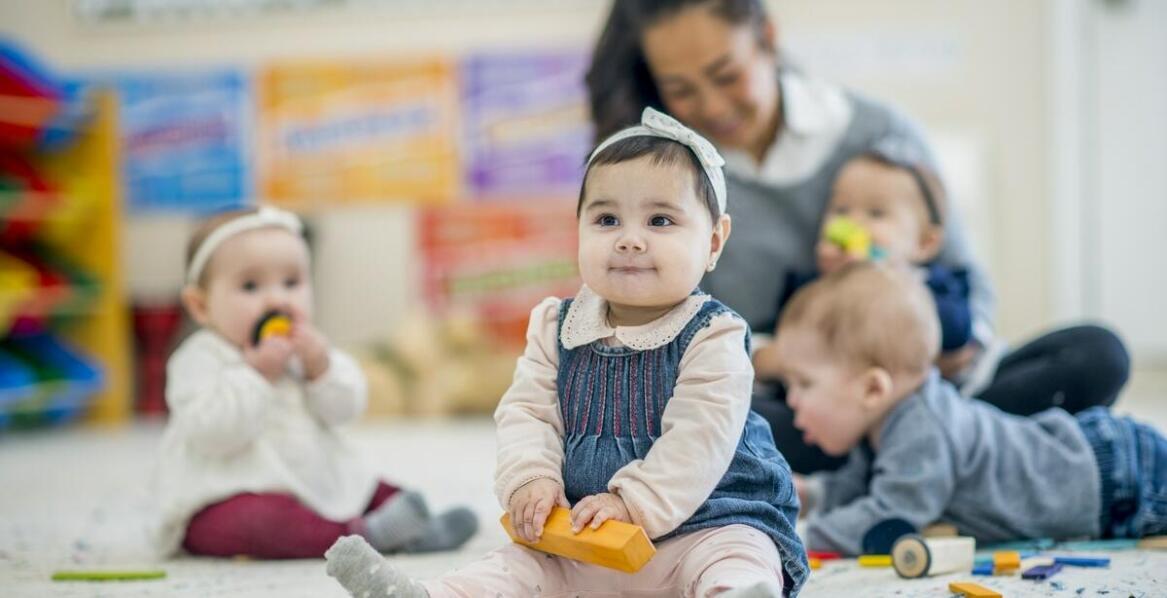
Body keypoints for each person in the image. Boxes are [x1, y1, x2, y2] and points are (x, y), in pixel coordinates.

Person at [586, 0, 1129, 473]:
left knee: (1097, 354)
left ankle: (915, 455)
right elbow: (672, 331)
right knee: (693, 415)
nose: (712, 106)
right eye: (681, 89)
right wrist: (786, 360)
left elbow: (970, 287)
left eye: (727, 74)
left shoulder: (879, 135)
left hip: (930, 388)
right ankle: (946, 461)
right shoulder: (671, 184)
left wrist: (937, 342)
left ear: (767, 39)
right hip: (803, 407)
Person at [324, 109, 806, 597]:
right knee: (518, 566)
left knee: (739, 554)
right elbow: (527, 413)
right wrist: (530, 479)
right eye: (606, 219)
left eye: (660, 220)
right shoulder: (557, 326)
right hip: (587, 535)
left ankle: (736, 592)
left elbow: (700, 439)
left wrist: (633, 503)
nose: (630, 239)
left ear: (714, 241)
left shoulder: (713, 334)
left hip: (707, 523)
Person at [769, 262, 1167, 555]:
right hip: (1098, 475)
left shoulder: (923, 426)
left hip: (1115, 476)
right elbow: (860, 486)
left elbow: (891, 512)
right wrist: (814, 496)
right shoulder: (883, 426)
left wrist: (801, 535)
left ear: (872, 388)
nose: (791, 400)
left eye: (804, 384)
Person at [153, 206, 477, 559]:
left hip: (315, 482)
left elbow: (346, 409)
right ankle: (362, 535)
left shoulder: (305, 351)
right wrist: (256, 376)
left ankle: (417, 528)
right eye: (250, 285)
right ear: (200, 306)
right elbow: (211, 433)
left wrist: (321, 369)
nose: (278, 299)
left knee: (370, 485)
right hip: (228, 494)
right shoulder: (199, 360)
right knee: (260, 523)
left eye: (291, 282)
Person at [754, 143, 1127, 423]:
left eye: (876, 213)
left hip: (966, 402)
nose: (853, 224)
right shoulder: (811, 291)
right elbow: (770, 342)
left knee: (1099, 351)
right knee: (750, 416)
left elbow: (954, 333)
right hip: (850, 426)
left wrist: (886, 280)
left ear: (925, 243)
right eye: (840, 210)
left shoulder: (933, 283)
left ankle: (964, 441)